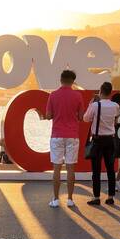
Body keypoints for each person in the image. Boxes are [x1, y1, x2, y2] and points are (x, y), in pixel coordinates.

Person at [41, 68, 84, 207]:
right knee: (71, 169)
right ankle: (70, 199)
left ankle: (55, 199)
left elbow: (48, 116)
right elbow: (80, 117)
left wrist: (54, 114)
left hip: (57, 135)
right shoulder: (78, 96)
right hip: (72, 136)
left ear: (61, 80)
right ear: (73, 81)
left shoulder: (53, 95)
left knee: (56, 169)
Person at [83, 81, 120, 205]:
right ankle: (110, 197)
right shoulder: (115, 106)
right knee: (110, 169)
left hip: (98, 140)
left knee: (96, 170)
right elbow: (115, 119)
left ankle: (96, 197)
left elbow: (86, 118)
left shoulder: (95, 105)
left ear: (100, 91)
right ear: (110, 92)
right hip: (110, 140)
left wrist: (90, 104)